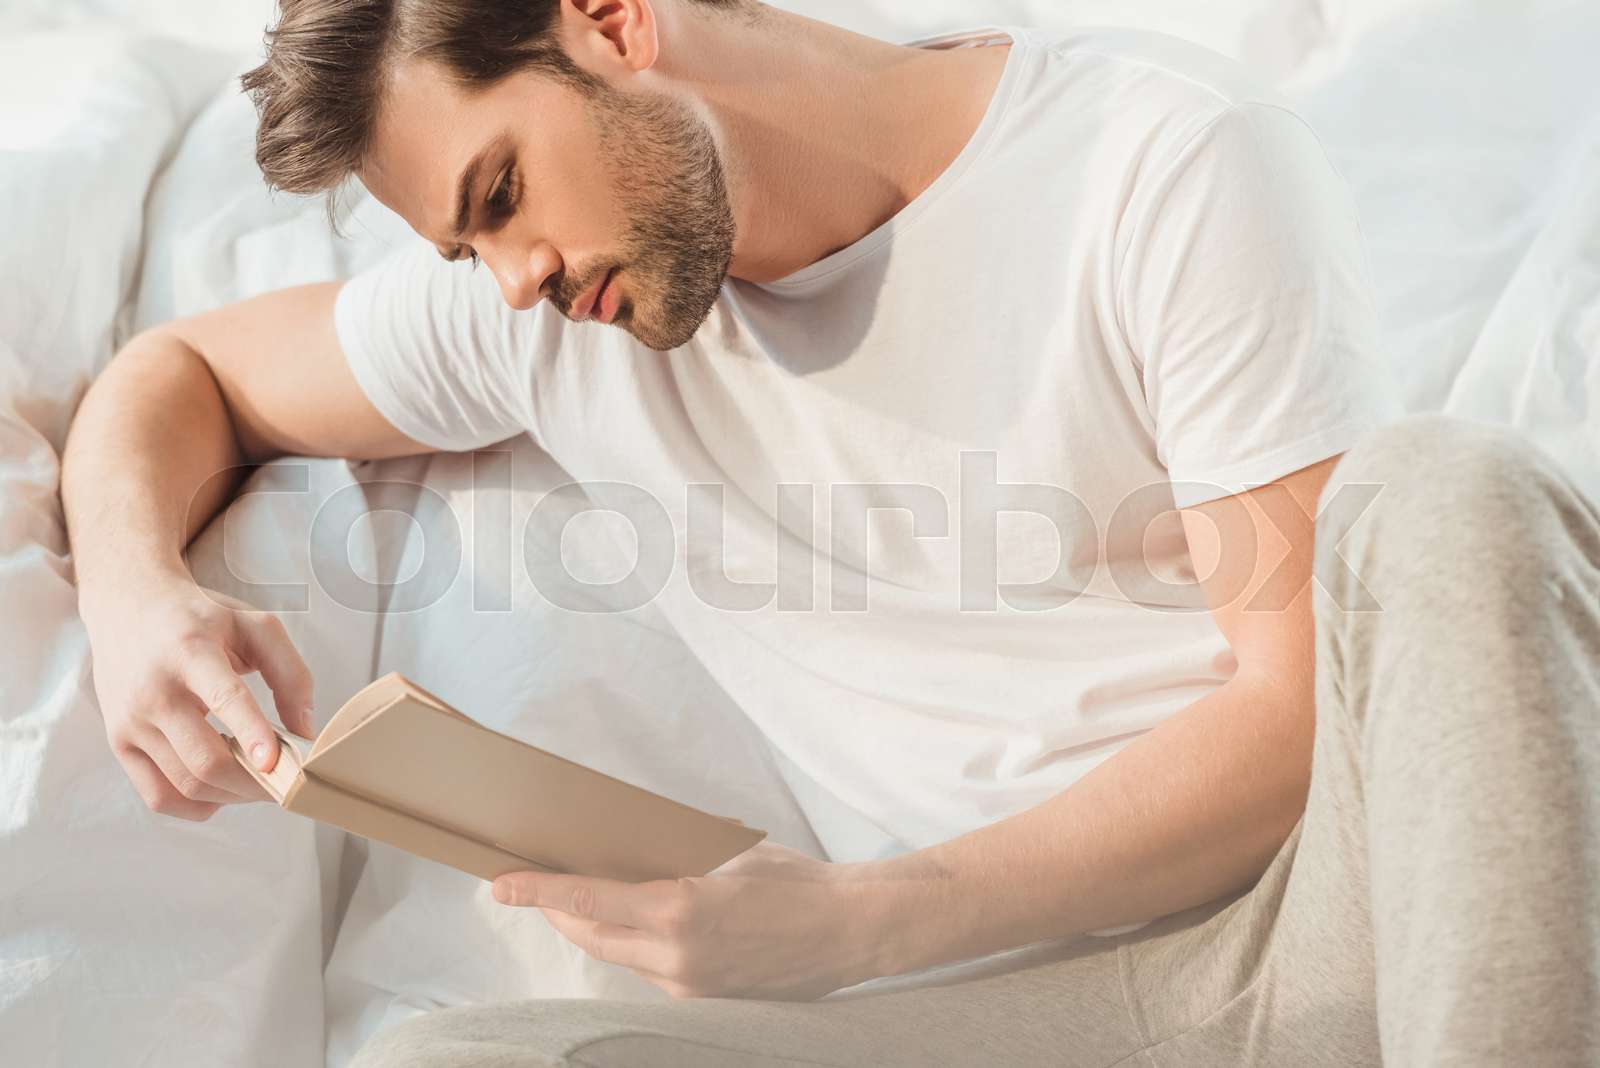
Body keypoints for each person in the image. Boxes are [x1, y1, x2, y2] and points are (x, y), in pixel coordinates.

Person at [59, 1, 1599, 1065]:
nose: (510, 274)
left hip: (1337, 922)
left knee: (1452, 493)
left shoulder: (1156, 162)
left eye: (502, 192)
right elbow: (182, 374)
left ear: (611, 18)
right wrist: (135, 598)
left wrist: (857, 922)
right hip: (994, 1022)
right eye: (470, 243)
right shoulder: (545, 321)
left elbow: (1294, 712)